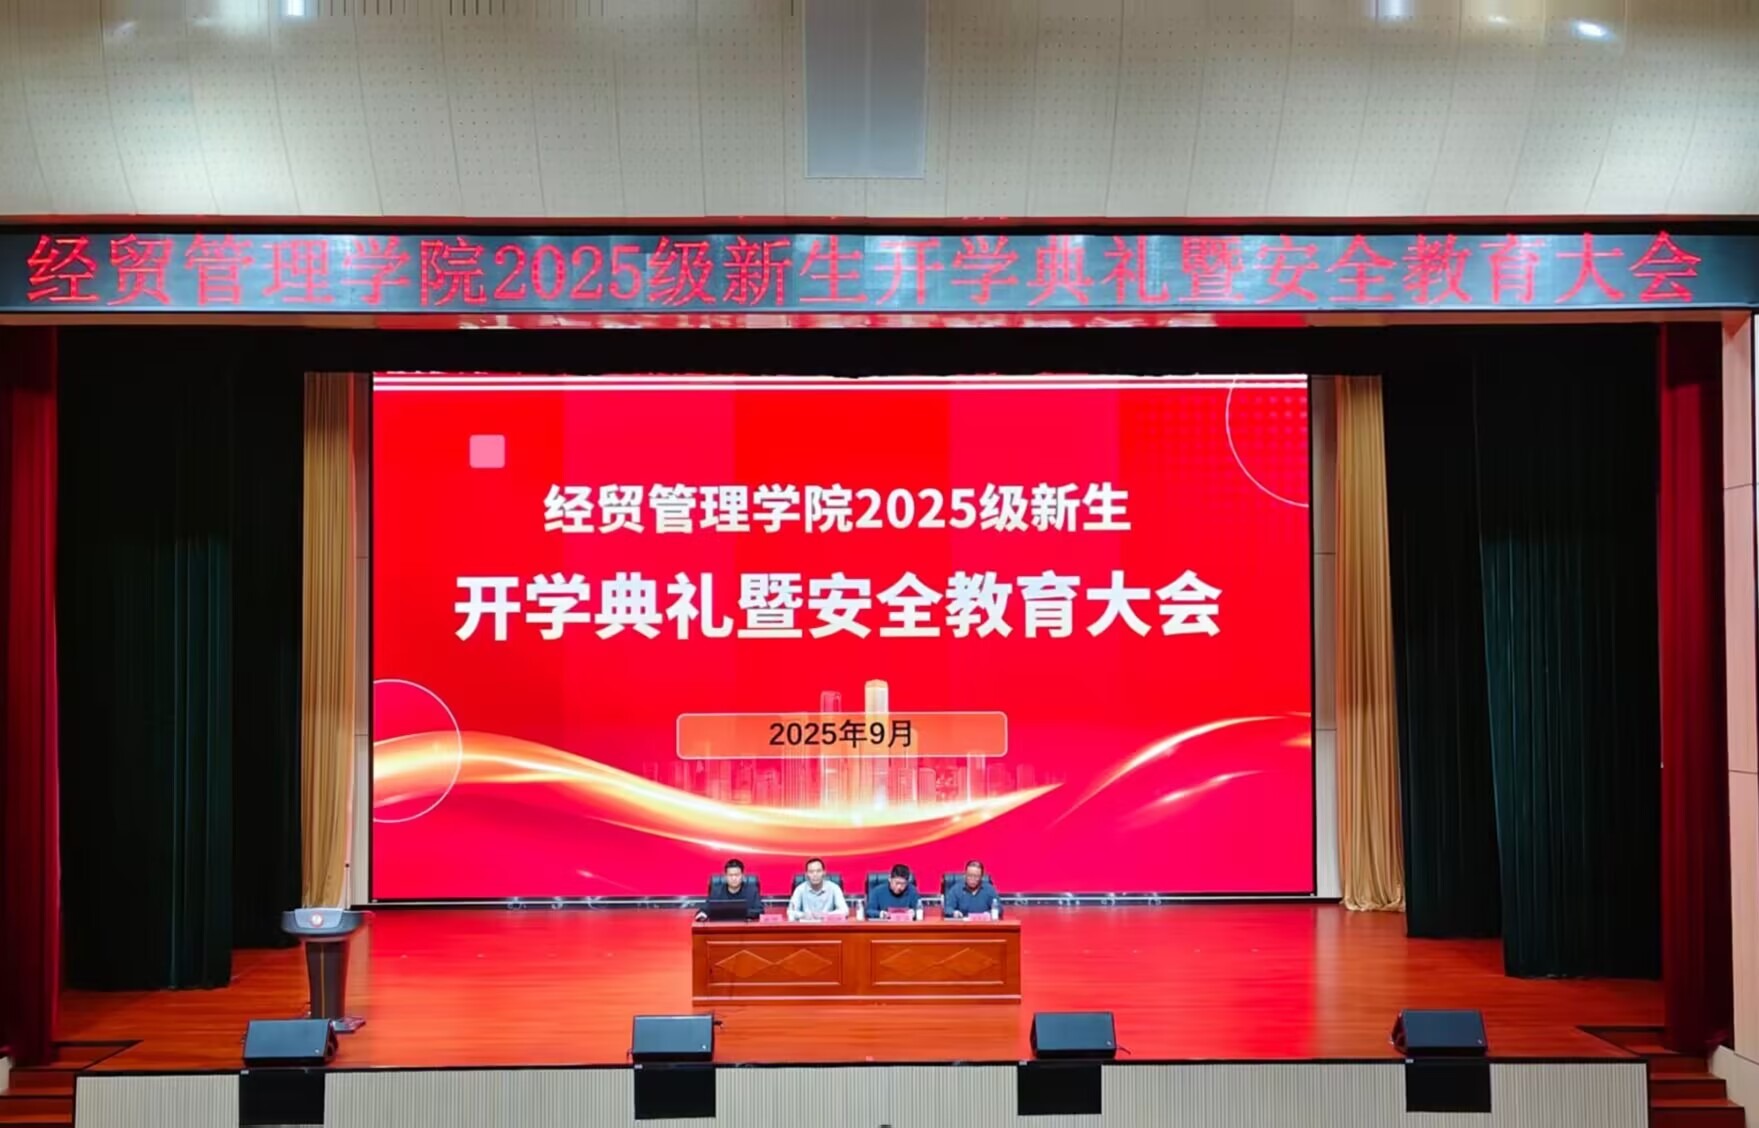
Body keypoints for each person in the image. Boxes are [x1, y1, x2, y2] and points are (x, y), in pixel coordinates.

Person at [696, 857, 761, 921]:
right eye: (730, 875)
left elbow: (760, 911)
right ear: (725, 876)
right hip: (721, 926)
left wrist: (739, 913)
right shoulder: (716, 892)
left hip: (744, 926)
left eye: (737, 875)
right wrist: (702, 914)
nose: (734, 878)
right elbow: (704, 910)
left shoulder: (752, 891)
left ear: (742, 875)